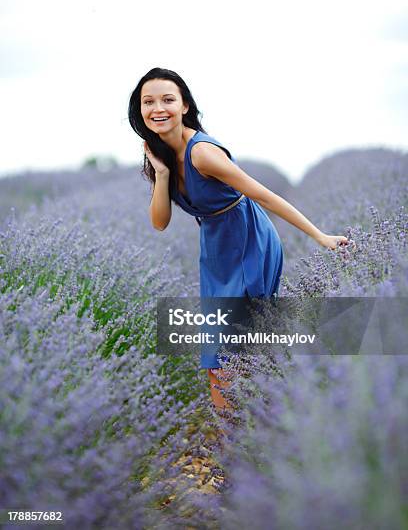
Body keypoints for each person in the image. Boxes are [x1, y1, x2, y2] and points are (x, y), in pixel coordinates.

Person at [128, 67, 351, 410]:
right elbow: (160, 222)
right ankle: (233, 439)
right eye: (149, 101)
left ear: (184, 105)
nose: (158, 108)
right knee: (217, 346)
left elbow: (264, 195)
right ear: (140, 110)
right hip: (216, 248)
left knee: (238, 343)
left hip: (249, 240)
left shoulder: (202, 153)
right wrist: (160, 173)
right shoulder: (160, 154)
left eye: (168, 99)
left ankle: (283, 413)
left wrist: (320, 237)